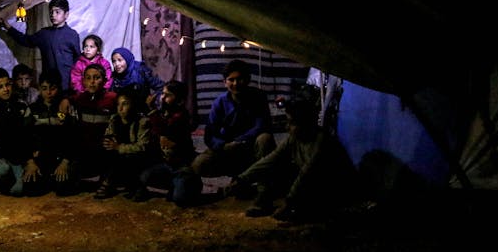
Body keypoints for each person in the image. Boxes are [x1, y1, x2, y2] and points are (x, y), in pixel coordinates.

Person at [228, 98, 363, 220]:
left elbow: (307, 173)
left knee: (311, 203)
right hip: (312, 184)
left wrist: (289, 203)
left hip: (333, 189)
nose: (287, 127)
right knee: (278, 168)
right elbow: (270, 160)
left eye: (291, 123)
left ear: (306, 123)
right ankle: (267, 200)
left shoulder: (322, 142)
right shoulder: (294, 139)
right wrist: (241, 179)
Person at [183, 59, 275, 204]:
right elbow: (210, 134)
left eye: (239, 79)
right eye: (231, 80)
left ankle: (264, 192)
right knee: (199, 165)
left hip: (250, 147)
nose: (235, 83)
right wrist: (222, 146)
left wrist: (240, 141)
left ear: (247, 80)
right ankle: (237, 181)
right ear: (225, 82)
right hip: (228, 149)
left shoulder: (258, 97)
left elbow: (262, 126)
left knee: (265, 139)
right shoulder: (219, 102)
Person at [0, 0, 81, 94]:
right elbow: (26, 40)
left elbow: (77, 60)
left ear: (66, 14)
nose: (53, 15)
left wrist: (76, 82)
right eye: (51, 12)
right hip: (48, 85)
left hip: (67, 85)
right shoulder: (44, 34)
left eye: (57, 12)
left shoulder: (72, 35)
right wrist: (9, 28)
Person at [135, 80, 195, 203]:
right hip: (166, 164)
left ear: (180, 100)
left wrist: (151, 109)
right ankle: (172, 185)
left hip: (181, 167)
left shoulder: (181, 116)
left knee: (180, 199)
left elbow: (164, 130)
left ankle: (190, 183)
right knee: (143, 176)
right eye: (163, 94)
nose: (162, 98)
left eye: (168, 95)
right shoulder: (164, 113)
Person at [0, 67, 34, 197]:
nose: (6, 89)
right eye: (0, 87)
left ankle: (13, 181)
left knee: (20, 190)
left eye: (7, 85)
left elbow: (29, 133)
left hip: (18, 157)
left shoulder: (21, 106)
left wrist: (29, 159)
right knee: (0, 169)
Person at [95, 93, 158, 199]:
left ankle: (112, 183)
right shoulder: (114, 119)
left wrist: (119, 147)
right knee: (105, 153)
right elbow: (109, 135)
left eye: (125, 104)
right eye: (118, 104)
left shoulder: (142, 122)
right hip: (119, 155)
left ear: (133, 105)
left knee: (126, 158)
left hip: (137, 158)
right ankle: (109, 182)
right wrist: (107, 141)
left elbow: (142, 147)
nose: (120, 108)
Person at [66, 62, 118, 192]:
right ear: (83, 81)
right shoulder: (80, 99)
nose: (92, 82)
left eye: (96, 78)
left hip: (105, 150)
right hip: (85, 149)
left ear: (105, 80)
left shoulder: (112, 99)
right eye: (88, 78)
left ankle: (108, 179)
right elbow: (69, 99)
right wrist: (65, 100)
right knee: (65, 187)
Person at [27, 70, 77, 196]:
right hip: (41, 157)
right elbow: (25, 136)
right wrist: (30, 162)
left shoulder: (62, 109)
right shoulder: (33, 109)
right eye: (44, 88)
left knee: (63, 189)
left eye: (52, 88)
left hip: (60, 158)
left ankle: (56, 178)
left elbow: (71, 136)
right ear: (39, 88)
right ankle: (47, 178)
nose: (48, 92)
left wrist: (65, 162)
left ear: (58, 88)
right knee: (32, 189)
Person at [109, 46, 165, 114]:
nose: (117, 64)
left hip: (143, 111)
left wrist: (153, 99)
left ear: (127, 59)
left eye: (120, 60)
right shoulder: (115, 77)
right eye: (114, 61)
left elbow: (160, 86)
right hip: (124, 113)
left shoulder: (140, 71)